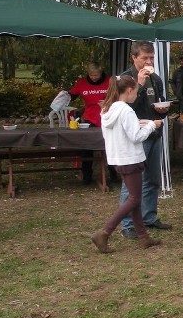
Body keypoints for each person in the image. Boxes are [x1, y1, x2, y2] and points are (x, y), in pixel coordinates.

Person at [91, 75, 162, 253]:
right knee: (134, 199)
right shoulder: (126, 110)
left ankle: (143, 237)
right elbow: (136, 136)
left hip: (118, 159)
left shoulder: (108, 108)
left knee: (134, 198)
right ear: (129, 90)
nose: (137, 96)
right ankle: (105, 232)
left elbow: (122, 129)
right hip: (131, 159)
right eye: (136, 92)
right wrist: (152, 125)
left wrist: (140, 122)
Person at [119, 41, 172, 239]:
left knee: (152, 179)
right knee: (132, 182)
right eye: (145, 58)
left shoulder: (156, 79)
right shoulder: (125, 79)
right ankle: (127, 225)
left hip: (154, 133)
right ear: (134, 57)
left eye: (152, 58)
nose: (149, 61)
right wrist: (139, 85)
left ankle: (149, 217)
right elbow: (125, 110)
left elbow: (157, 104)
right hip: (136, 137)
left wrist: (164, 110)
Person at [67, 62, 116, 184]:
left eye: (97, 75)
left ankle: (114, 175)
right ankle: (87, 176)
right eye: (91, 75)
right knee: (87, 148)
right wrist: (63, 97)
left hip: (109, 117)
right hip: (90, 119)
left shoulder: (110, 80)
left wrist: (109, 102)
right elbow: (71, 96)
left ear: (101, 72)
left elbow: (119, 95)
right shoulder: (81, 83)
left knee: (110, 147)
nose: (94, 77)